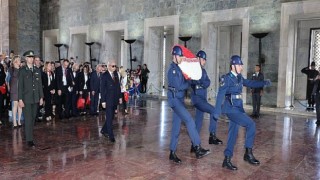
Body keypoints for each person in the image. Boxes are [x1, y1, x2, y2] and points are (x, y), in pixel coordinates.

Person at [213, 55, 271, 170]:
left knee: (232, 134)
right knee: (251, 124)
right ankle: (248, 154)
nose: (241, 67)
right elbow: (220, 94)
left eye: (241, 65)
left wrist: (263, 83)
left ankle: (227, 159)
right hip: (230, 109)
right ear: (233, 66)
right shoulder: (226, 78)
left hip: (238, 108)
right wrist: (216, 111)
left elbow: (250, 83)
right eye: (239, 65)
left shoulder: (239, 77)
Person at [167, 45, 210, 164]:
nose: (182, 58)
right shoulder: (173, 70)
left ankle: (172, 152)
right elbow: (180, 86)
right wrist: (189, 82)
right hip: (175, 100)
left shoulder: (180, 68)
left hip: (179, 100)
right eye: (180, 56)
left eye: (182, 56)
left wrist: (190, 80)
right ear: (175, 56)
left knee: (176, 126)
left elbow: (186, 82)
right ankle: (197, 147)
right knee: (189, 120)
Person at [190, 50, 222, 154]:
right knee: (214, 111)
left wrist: (201, 83)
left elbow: (207, 82)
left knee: (198, 123)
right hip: (197, 99)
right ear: (198, 59)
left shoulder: (203, 71)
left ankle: (194, 145)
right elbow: (192, 81)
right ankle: (212, 136)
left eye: (205, 59)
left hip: (202, 98)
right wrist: (200, 82)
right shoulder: (193, 70)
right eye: (203, 59)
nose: (204, 61)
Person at [18, 50, 44, 147]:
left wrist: (41, 97)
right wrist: (20, 99)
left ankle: (28, 134)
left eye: (32, 57)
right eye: (29, 57)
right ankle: (29, 140)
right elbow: (20, 86)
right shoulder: (22, 71)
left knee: (33, 118)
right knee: (28, 119)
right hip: (26, 99)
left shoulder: (37, 70)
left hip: (35, 98)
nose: (31, 59)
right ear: (26, 59)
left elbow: (39, 85)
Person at [100, 60, 122, 143]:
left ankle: (103, 130)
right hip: (108, 99)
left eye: (115, 66)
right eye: (113, 66)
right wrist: (103, 101)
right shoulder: (104, 75)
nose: (114, 67)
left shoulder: (115, 74)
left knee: (112, 116)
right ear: (108, 66)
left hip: (115, 98)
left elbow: (118, 86)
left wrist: (120, 97)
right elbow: (102, 89)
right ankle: (111, 135)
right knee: (109, 117)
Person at [9, 56, 22, 127]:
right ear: (15, 61)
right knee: (15, 105)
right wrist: (16, 67)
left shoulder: (21, 69)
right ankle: (14, 121)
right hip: (14, 90)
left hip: (20, 89)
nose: (20, 62)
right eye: (19, 60)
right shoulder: (11, 69)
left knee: (20, 105)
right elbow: (14, 75)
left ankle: (19, 121)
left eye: (20, 60)